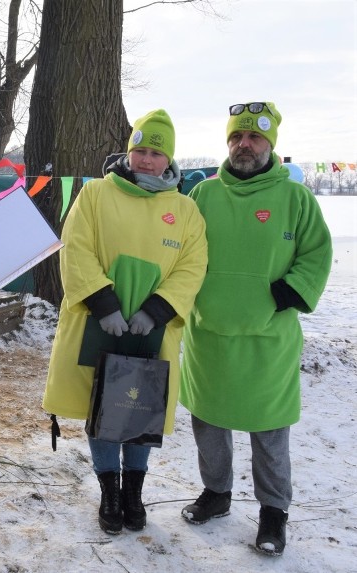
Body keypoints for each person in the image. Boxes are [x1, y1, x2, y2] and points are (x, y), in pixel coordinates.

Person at [43, 109, 208, 534]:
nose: (146, 159)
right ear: (129, 151)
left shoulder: (185, 210)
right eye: (140, 150)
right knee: (103, 405)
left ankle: (134, 491)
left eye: (155, 152)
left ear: (168, 159)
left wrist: (157, 309)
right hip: (100, 323)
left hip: (152, 330)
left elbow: (192, 266)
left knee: (140, 408)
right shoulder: (96, 194)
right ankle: (109, 491)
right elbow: (76, 247)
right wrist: (103, 302)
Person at [179, 101, 333, 556]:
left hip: (269, 338)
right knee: (208, 423)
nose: (244, 145)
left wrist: (289, 293)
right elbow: (180, 250)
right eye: (236, 137)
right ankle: (217, 494)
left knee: (268, 429)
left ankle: (273, 512)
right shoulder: (203, 195)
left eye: (254, 137)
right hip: (208, 334)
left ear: (270, 145)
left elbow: (317, 253)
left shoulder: (295, 197)